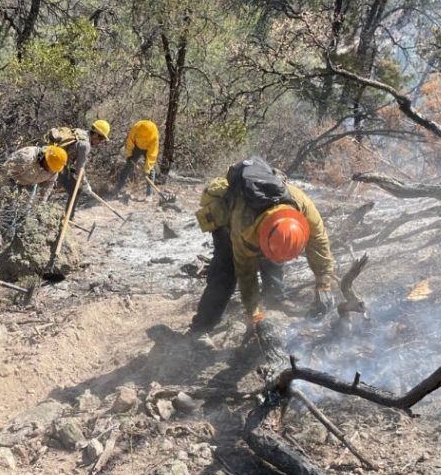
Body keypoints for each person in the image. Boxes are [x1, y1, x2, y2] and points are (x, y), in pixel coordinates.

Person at [189, 156, 335, 347]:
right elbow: (246, 275)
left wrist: (323, 283)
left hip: (267, 228)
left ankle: (275, 302)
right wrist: (254, 314)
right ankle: (200, 328)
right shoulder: (244, 227)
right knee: (226, 273)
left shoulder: (300, 204)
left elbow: (320, 244)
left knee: (274, 260)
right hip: (228, 224)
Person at [40, 120, 110, 216]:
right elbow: (80, 170)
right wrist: (85, 184)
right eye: (101, 139)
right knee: (76, 190)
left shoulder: (80, 132)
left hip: (48, 156)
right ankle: (68, 219)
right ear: (96, 135)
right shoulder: (85, 145)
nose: (100, 142)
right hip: (55, 164)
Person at [115, 119, 160, 197]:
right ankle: (118, 190)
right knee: (128, 166)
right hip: (136, 147)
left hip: (148, 149)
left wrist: (147, 169)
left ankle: (149, 194)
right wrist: (129, 155)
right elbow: (130, 141)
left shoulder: (154, 136)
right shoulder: (136, 127)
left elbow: (152, 155)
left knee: (151, 171)